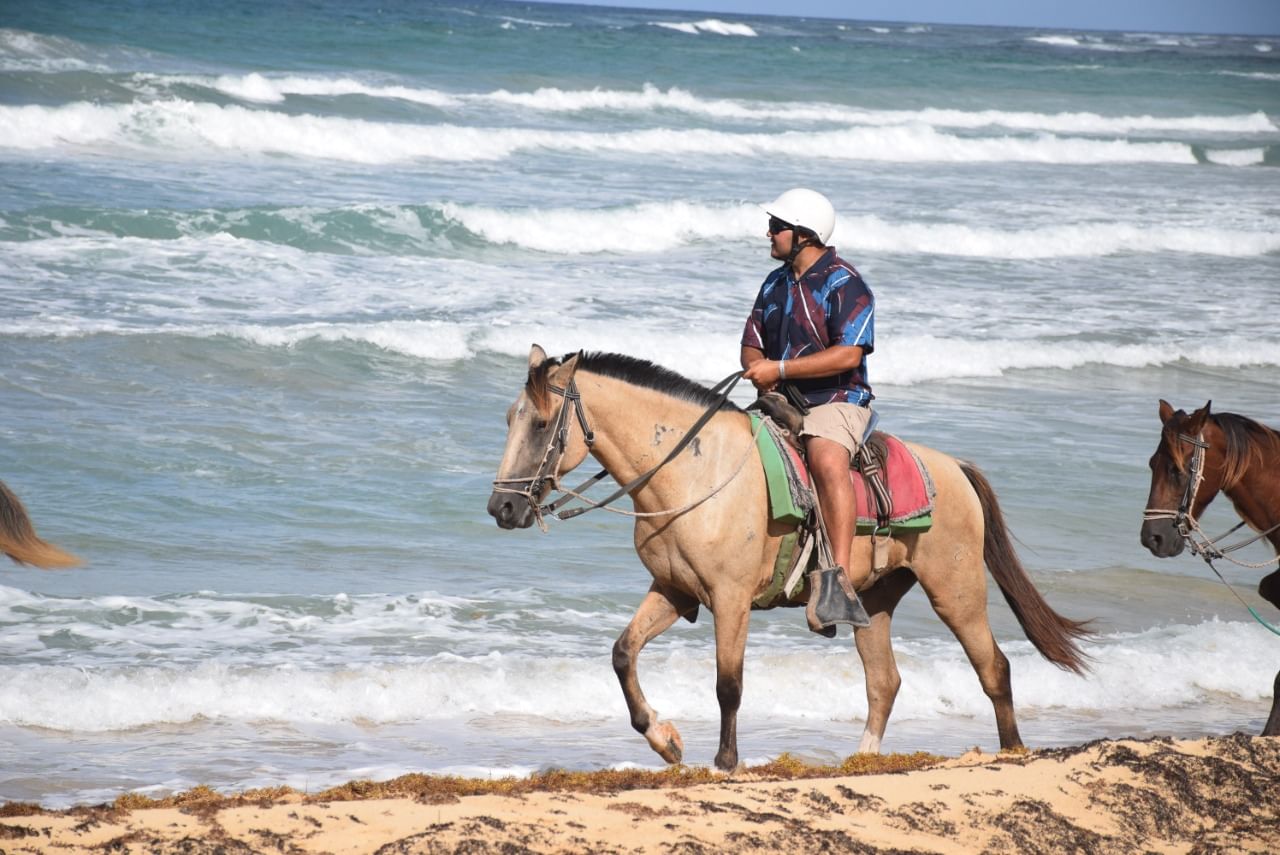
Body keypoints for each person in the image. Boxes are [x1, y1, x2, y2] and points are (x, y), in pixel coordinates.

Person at [740, 188, 875, 633]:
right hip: (780, 401)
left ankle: (837, 582)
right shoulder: (774, 283)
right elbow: (751, 344)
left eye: (776, 227)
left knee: (826, 458)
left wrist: (778, 368)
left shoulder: (846, 283)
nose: (769, 233)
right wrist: (758, 369)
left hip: (837, 400)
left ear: (803, 234)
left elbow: (848, 355)